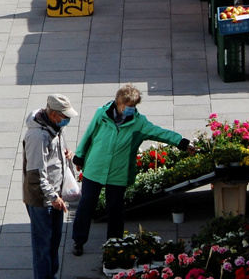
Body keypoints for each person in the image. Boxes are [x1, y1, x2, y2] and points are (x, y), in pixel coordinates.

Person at [71, 84, 195, 255]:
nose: (131, 109)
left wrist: (182, 142)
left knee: (115, 210)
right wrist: (79, 156)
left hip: (118, 173)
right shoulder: (102, 114)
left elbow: (160, 133)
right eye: (127, 106)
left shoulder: (139, 123)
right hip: (95, 168)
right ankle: (78, 240)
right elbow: (89, 134)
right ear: (118, 103)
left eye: (133, 106)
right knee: (86, 206)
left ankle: (114, 245)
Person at [24, 95, 78, 279]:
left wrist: (66, 155)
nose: (67, 120)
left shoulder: (54, 128)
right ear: (54, 114)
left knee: (54, 239)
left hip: (55, 195)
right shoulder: (37, 136)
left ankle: (50, 278)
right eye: (65, 116)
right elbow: (37, 172)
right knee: (43, 241)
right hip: (42, 198)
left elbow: (51, 160)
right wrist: (53, 197)